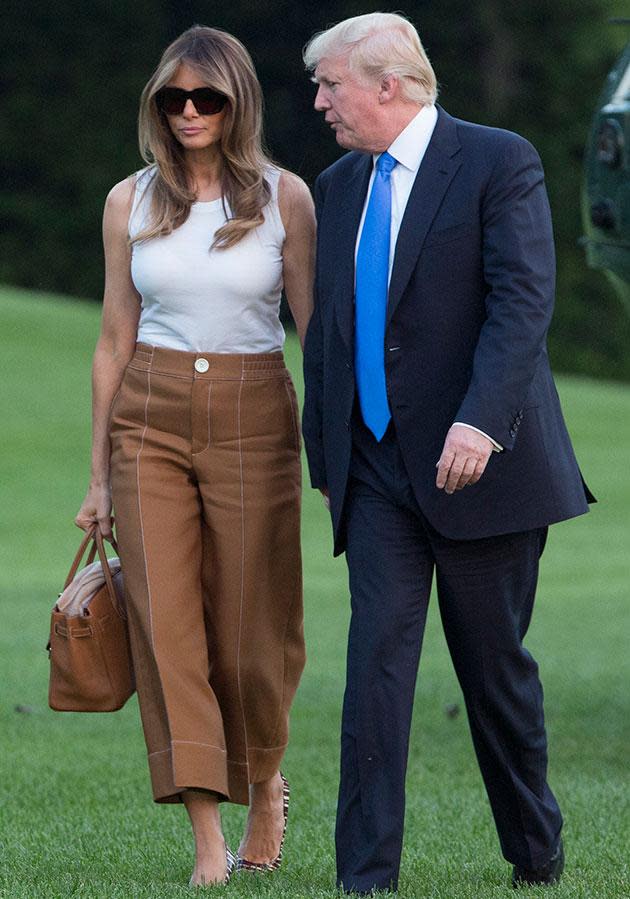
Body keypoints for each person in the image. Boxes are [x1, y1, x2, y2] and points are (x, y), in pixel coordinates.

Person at [302, 12, 593, 895]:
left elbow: (521, 302)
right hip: (379, 472)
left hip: (483, 467)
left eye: (330, 85)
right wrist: (330, 456)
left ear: (387, 84)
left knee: (493, 673)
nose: (318, 102)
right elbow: (331, 333)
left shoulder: (499, 159)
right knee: (374, 673)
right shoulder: (338, 184)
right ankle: (365, 876)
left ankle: (534, 851)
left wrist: (480, 421)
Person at [75, 25, 314, 887]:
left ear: (237, 102)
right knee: (166, 629)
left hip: (255, 410)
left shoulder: (285, 198)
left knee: (254, 632)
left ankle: (264, 780)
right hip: (149, 415)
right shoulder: (127, 201)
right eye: (172, 98)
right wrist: (98, 475)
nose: (187, 113)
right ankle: (208, 843)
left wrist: (336, 450)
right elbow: (112, 340)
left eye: (205, 98)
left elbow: (312, 332)